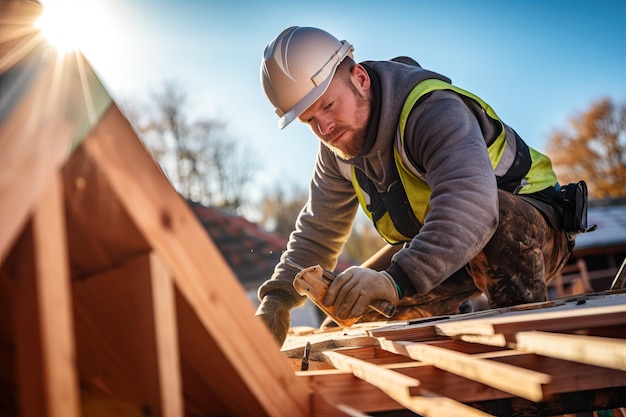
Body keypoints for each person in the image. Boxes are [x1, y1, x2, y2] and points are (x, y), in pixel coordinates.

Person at [255, 26, 584, 345]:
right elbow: (318, 231)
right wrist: (278, 298)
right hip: (443, 249)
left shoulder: (432, 112)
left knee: (496, 222)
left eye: (328, 105)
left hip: (531, 234)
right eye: (309, 120)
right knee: (347, 321)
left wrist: (394, 280)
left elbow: (474, 208)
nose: (324, 128)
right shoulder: (336, 148)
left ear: (360, 79)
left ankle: (528, 355)